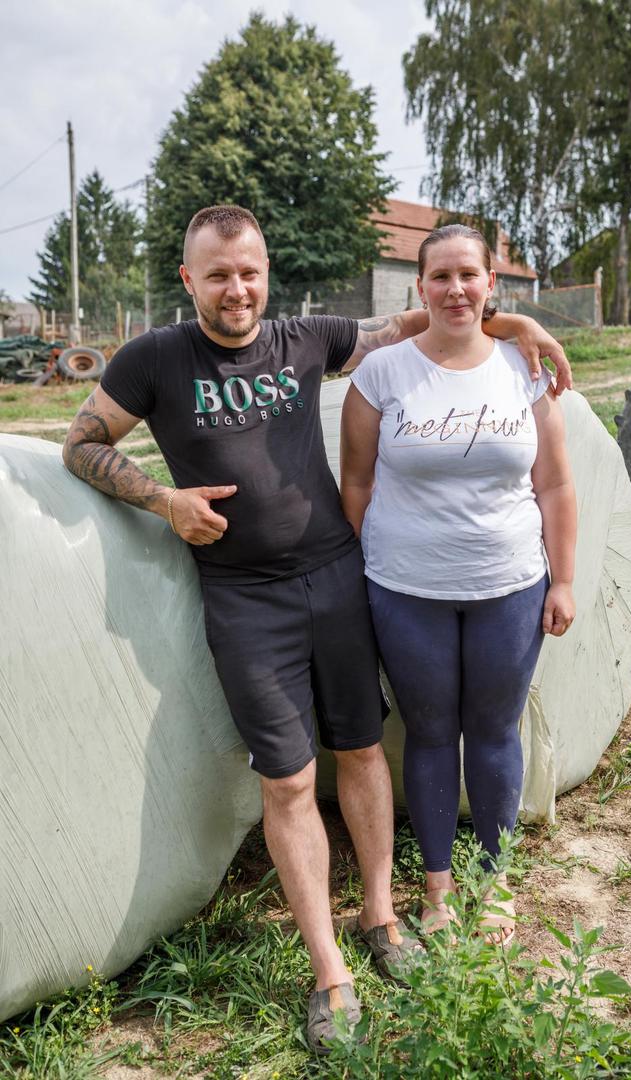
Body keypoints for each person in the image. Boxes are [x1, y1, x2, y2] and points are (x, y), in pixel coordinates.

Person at [62, 206, 572, 1050]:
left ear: (266, 271)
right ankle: (330, 970)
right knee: (289, 781)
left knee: (363, 749)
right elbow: (82, 440)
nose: (237, 288)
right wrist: (161, 500)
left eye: (249, 271)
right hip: (243, 597)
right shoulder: (154, 357)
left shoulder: (306, 338)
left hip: (336, 578)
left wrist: (511, 318)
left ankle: (380, 915)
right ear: (189, 278)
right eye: (217, 274)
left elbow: (414, 319)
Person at [341, 223, 577, 945]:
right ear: (419, 287)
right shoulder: (381, 374)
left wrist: (561, 580)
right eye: (439, 277)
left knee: (494, 730)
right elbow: (355, 480)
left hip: (508, 584)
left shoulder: (521, 367)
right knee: (431, 730)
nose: (455, 289)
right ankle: (439, 886)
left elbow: (556, 485)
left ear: (490, 285)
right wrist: (375, 562)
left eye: (468, 275)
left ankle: (493, 878)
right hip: (405, 589)